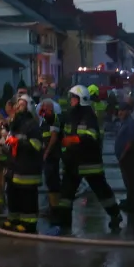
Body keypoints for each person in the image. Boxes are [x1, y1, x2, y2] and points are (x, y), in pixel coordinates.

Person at [51, 85, 122, 233]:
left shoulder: (89, 116)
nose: (71, 100)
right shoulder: (70, 114)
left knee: (102, 191)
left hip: (90, 163)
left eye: (73, 98)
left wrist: (74, 139)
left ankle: (115, 214)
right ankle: (64, 226)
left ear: (81, 100)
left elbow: (92, 136)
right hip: (72, 163)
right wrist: (48, 116)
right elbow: (60, 124)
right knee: (65, 196)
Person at [2, 95, 44, 232]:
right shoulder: (16, 123)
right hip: (15, 167)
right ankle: (14, 218)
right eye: (17, 104)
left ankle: (29, 224)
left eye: (21, 105)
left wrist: (19, 142)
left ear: (29, 107)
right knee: (13, 194)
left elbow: (37, 146)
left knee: (27, 198)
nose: (18, 107)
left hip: (27, 169)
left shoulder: (32, 125)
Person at [113, 101, 134, 213]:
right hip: (125, 158)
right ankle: (132, 201)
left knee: (132, 181)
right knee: (128, 181)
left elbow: (130, 142)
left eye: (122, 110)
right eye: (119, 110)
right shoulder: (124, 122)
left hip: (129, 157)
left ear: (128, 111)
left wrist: (122, 155)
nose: (120, 113)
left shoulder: (130, 123)